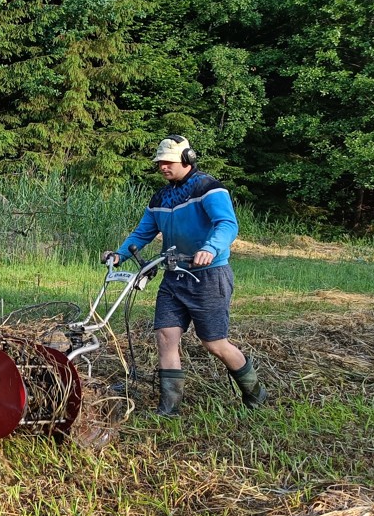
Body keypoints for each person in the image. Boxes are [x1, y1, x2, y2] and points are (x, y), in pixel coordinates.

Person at [101, 135, 267, 415]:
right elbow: (143, 232)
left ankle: (255, 393)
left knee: (214, 343)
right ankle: (169, 409)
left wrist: (210, 248)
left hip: (208, 276)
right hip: (174, 276)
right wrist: (119, 255)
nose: (163, 167)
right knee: (165, 336)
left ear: (187, 159)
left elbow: (227, 224)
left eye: (168, 162)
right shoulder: (160, 197)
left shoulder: (208, 188)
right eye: (159, 163)